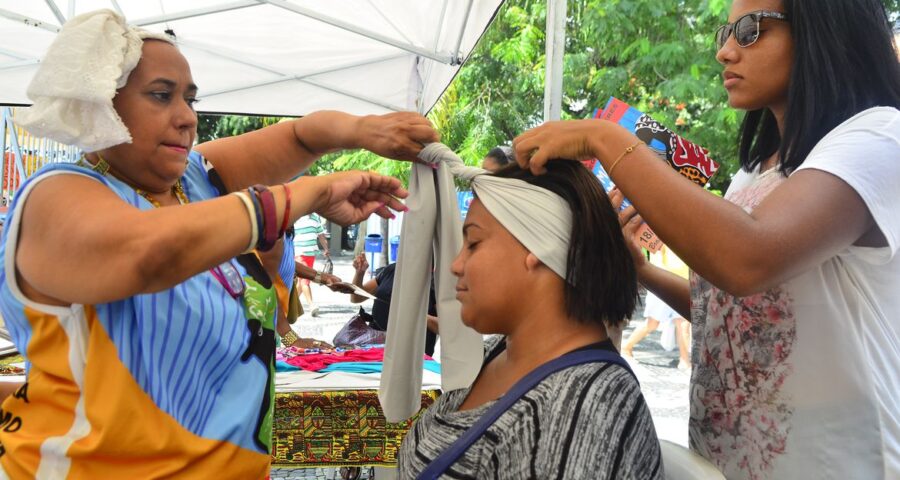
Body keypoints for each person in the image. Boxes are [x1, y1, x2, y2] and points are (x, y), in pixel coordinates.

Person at [0, 10, 437, 479]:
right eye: (161, 96)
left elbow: (299, 134)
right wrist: (310, 193)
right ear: (101, 102)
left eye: (190, 99)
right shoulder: (56, 195)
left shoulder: (195, 179)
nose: (187, 118)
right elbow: (148, 255)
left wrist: (363, 130)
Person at [512, 0, 900, 478]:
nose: (726, 52)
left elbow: (748, 258)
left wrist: (605, 139)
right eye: (726, 33)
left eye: (750, 30)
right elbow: (733, 319)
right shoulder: (752, 175)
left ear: (824, 29)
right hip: (722, 462)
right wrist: (643, 271)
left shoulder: (880, 136)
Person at [399, 160, 661, 479]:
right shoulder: (494, 352)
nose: (456, 264)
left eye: (474, 243)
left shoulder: (582, 413)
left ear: (539, 246)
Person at [349, 253, 439, 355]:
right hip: (376, 345)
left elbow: (444, 327)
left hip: (411, 352)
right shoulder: (392, 270)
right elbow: (356, 298)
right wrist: (359, 273)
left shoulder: (435, 280)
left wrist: (419, 315)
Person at [622, 246, 692, 370]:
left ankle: (685, 360)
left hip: (682, 280)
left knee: (683, 323)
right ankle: (626, 347)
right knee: (652, 323)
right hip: (662, 280)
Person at [293, 212, 330, 316]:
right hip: (299, 253)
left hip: (310, 254)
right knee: (305, 280)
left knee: (301, 282)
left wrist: (326, 249)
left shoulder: (315, 218)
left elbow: (321, 235)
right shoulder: (296, 217)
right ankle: (311, 305)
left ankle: (290, 304)